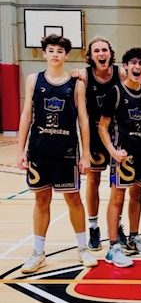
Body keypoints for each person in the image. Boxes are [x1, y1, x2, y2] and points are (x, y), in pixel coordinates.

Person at [16, 34, 98, 273]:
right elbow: (26, 115)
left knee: (74, 199)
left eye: (60, 51)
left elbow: (83, 119)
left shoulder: (76, 83)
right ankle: (38, 253)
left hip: (67, 152)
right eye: (51, 50)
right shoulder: (34, 80)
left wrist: (85, 154)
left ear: (66, 55)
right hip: (39, 150)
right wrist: (21, 150)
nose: (55, 54)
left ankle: (82, 248)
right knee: (41, 200)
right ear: (44, 54)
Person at [98, 47, 141, 267]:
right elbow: (102, 127)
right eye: (133, 62)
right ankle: (113, 247)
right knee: (117, 198)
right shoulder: (115, 92)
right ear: (125, 66)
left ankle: (134, 238)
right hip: (122, 155)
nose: (137, 66)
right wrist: (112, 151)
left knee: (137, 196)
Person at [82, 36, 127, 252]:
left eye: (104, 50)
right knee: (93, 180)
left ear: (110, 54)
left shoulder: (121, 73)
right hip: (94, 135)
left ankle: (116, 226)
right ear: (91, 56)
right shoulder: (84, 76)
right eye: (97, 51)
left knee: (118, 185)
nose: (101, 54)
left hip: (117, 134)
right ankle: (93, 227)